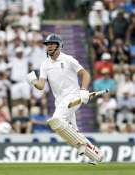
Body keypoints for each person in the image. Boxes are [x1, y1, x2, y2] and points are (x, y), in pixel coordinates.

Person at [27, 33, 103, 164]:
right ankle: (96, 155)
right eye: (47, 44)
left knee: (56, 120)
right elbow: (41, 85)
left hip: (73, 96)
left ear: (59, 46)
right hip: (60, 101)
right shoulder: (45, 64)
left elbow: (85, 74)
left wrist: (83, 90)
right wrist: (33, 81)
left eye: (52, 44)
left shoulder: (68, 59)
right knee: (72, 132)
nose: (49, 47)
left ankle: (83, 145)